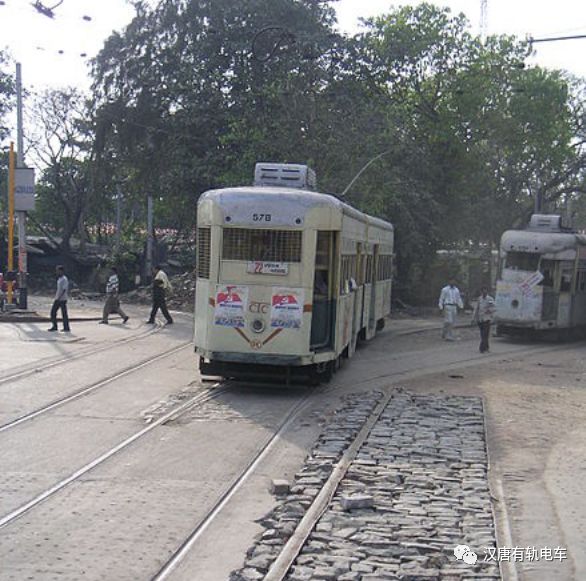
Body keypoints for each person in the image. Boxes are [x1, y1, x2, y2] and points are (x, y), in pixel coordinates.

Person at [473, 286, 496, 353]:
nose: (484, 292)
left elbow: (494, 307)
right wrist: (474, 318)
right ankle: (486, 347)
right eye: (483, 291)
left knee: (485, 334)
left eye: (485, 291)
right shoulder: (479, 299)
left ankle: (482, 348)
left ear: (487, 292)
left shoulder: (490, 299)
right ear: (481, 292)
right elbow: (476, 308)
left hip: (487, 318)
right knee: (482, 334)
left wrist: (489, 311)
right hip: (480, 319)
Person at [48, 265, 70, 332]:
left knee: (63, 314)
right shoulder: (59, 279)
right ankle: (55, 326)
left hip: (62, 299)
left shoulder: (64, 279)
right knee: (53, 313)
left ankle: (66, 327)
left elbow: (64, 290)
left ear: (62, 271)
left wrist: (59, 297)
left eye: (58, 271)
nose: (57, 272)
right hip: (57, 298)